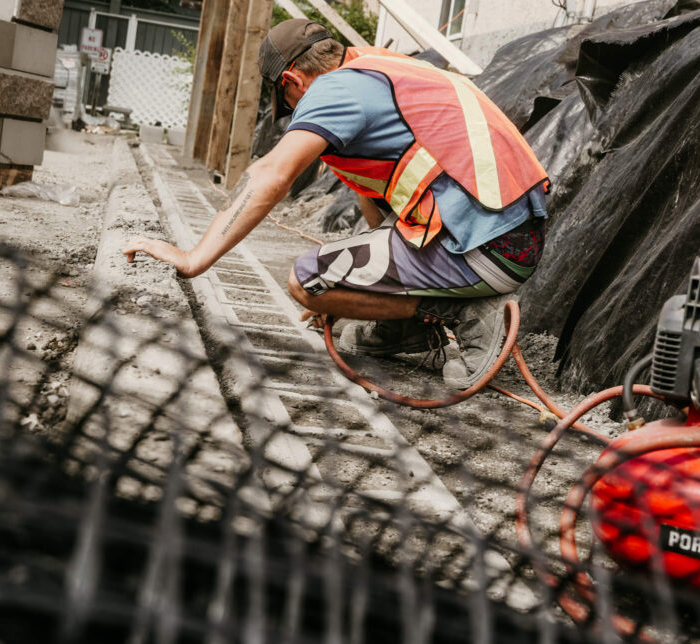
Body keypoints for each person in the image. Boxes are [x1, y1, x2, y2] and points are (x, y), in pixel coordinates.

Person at [123, 18, 549, 390]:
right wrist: (358, 285)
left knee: (306, 282)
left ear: (291, 81)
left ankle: (465, 314)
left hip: (485, 250)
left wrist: (195, 257)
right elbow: (376, 203)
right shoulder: (376, 69)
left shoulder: (334, 90)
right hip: (506, 239)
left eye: (287, 101)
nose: (295, 111)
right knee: (335, 278)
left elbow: (272, 174)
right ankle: (405, 325)